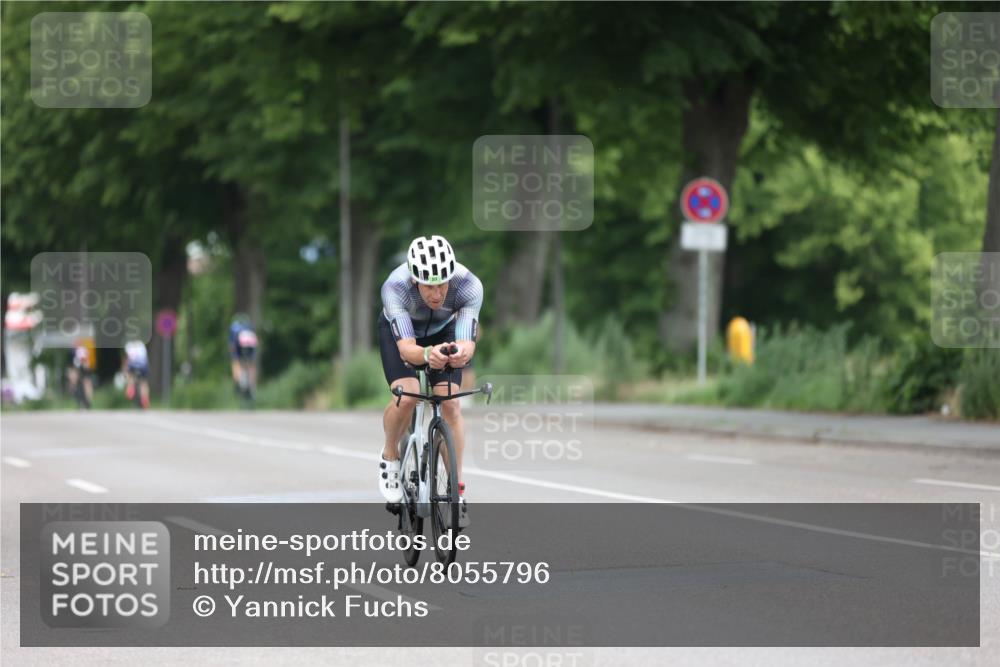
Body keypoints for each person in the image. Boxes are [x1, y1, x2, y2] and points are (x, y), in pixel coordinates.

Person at [378, 235, 482, 528]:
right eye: (428, 286)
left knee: (450, 404)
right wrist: (426, 354)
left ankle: (456, 492)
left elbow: (467, 342)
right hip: (404, 336)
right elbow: (408, 350)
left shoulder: (468, 286)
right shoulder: (395, 287)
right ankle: (389, 455)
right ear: (414, 281)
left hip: (444, 330)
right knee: (408, 395)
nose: (436, 294)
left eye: (442, 285)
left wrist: (461, 352)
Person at [228, 314, 258, 396]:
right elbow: (255, 341)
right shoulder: (250, 327)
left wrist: (233, 355)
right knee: (251, 365)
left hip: (239, 343)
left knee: (236, 363)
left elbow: (232, 345)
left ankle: (237, 382)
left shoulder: (234, 327)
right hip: (251, 344)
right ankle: (252, 384)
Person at [123, 339, 150, 409]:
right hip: (142, 366)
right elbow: (145, 358)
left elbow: (127, 358)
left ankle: (130, 387)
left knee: (130, 376)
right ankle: (145, 398)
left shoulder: (129, 345)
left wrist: (125, 369)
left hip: (133, 365)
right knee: (143, 383)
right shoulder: (141, 345)